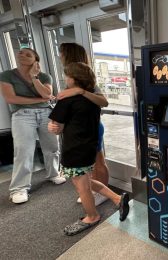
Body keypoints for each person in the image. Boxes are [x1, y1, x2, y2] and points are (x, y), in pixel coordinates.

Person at [48, 62, 130, 235]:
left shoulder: (66, 99)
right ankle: (117, 198)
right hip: (88, 148)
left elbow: (57, 127)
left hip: (74, 150)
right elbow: (104, 102)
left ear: (73, 79)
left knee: (81, 186)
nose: (65, 79)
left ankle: (92, 216)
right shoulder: (92, 97)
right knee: (85, 181)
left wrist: (53, 127)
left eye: (67, 76)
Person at [0, 48, 66, 204]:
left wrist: (33, 77)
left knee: (52, 146)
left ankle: (54, 174)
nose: (21, 55)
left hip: (45, 113)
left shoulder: (43, 76)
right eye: (20, 53)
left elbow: (46, 94)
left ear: (36, 60)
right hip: (22, 115)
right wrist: (41, 99)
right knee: (23, 150)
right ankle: (19, 188)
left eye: (28, 54)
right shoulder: (7, 75)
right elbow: (11, 99)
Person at [52, 42, 110, 206]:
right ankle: (93, 192)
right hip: (79, 130)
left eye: (61, 53)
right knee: (87, 166)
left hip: (91, 129)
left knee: (98, 161)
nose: (59, 56)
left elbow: (104, 102)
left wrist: (81, 91)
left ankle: (102, 193)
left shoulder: (85, 80)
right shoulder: (72, 79)